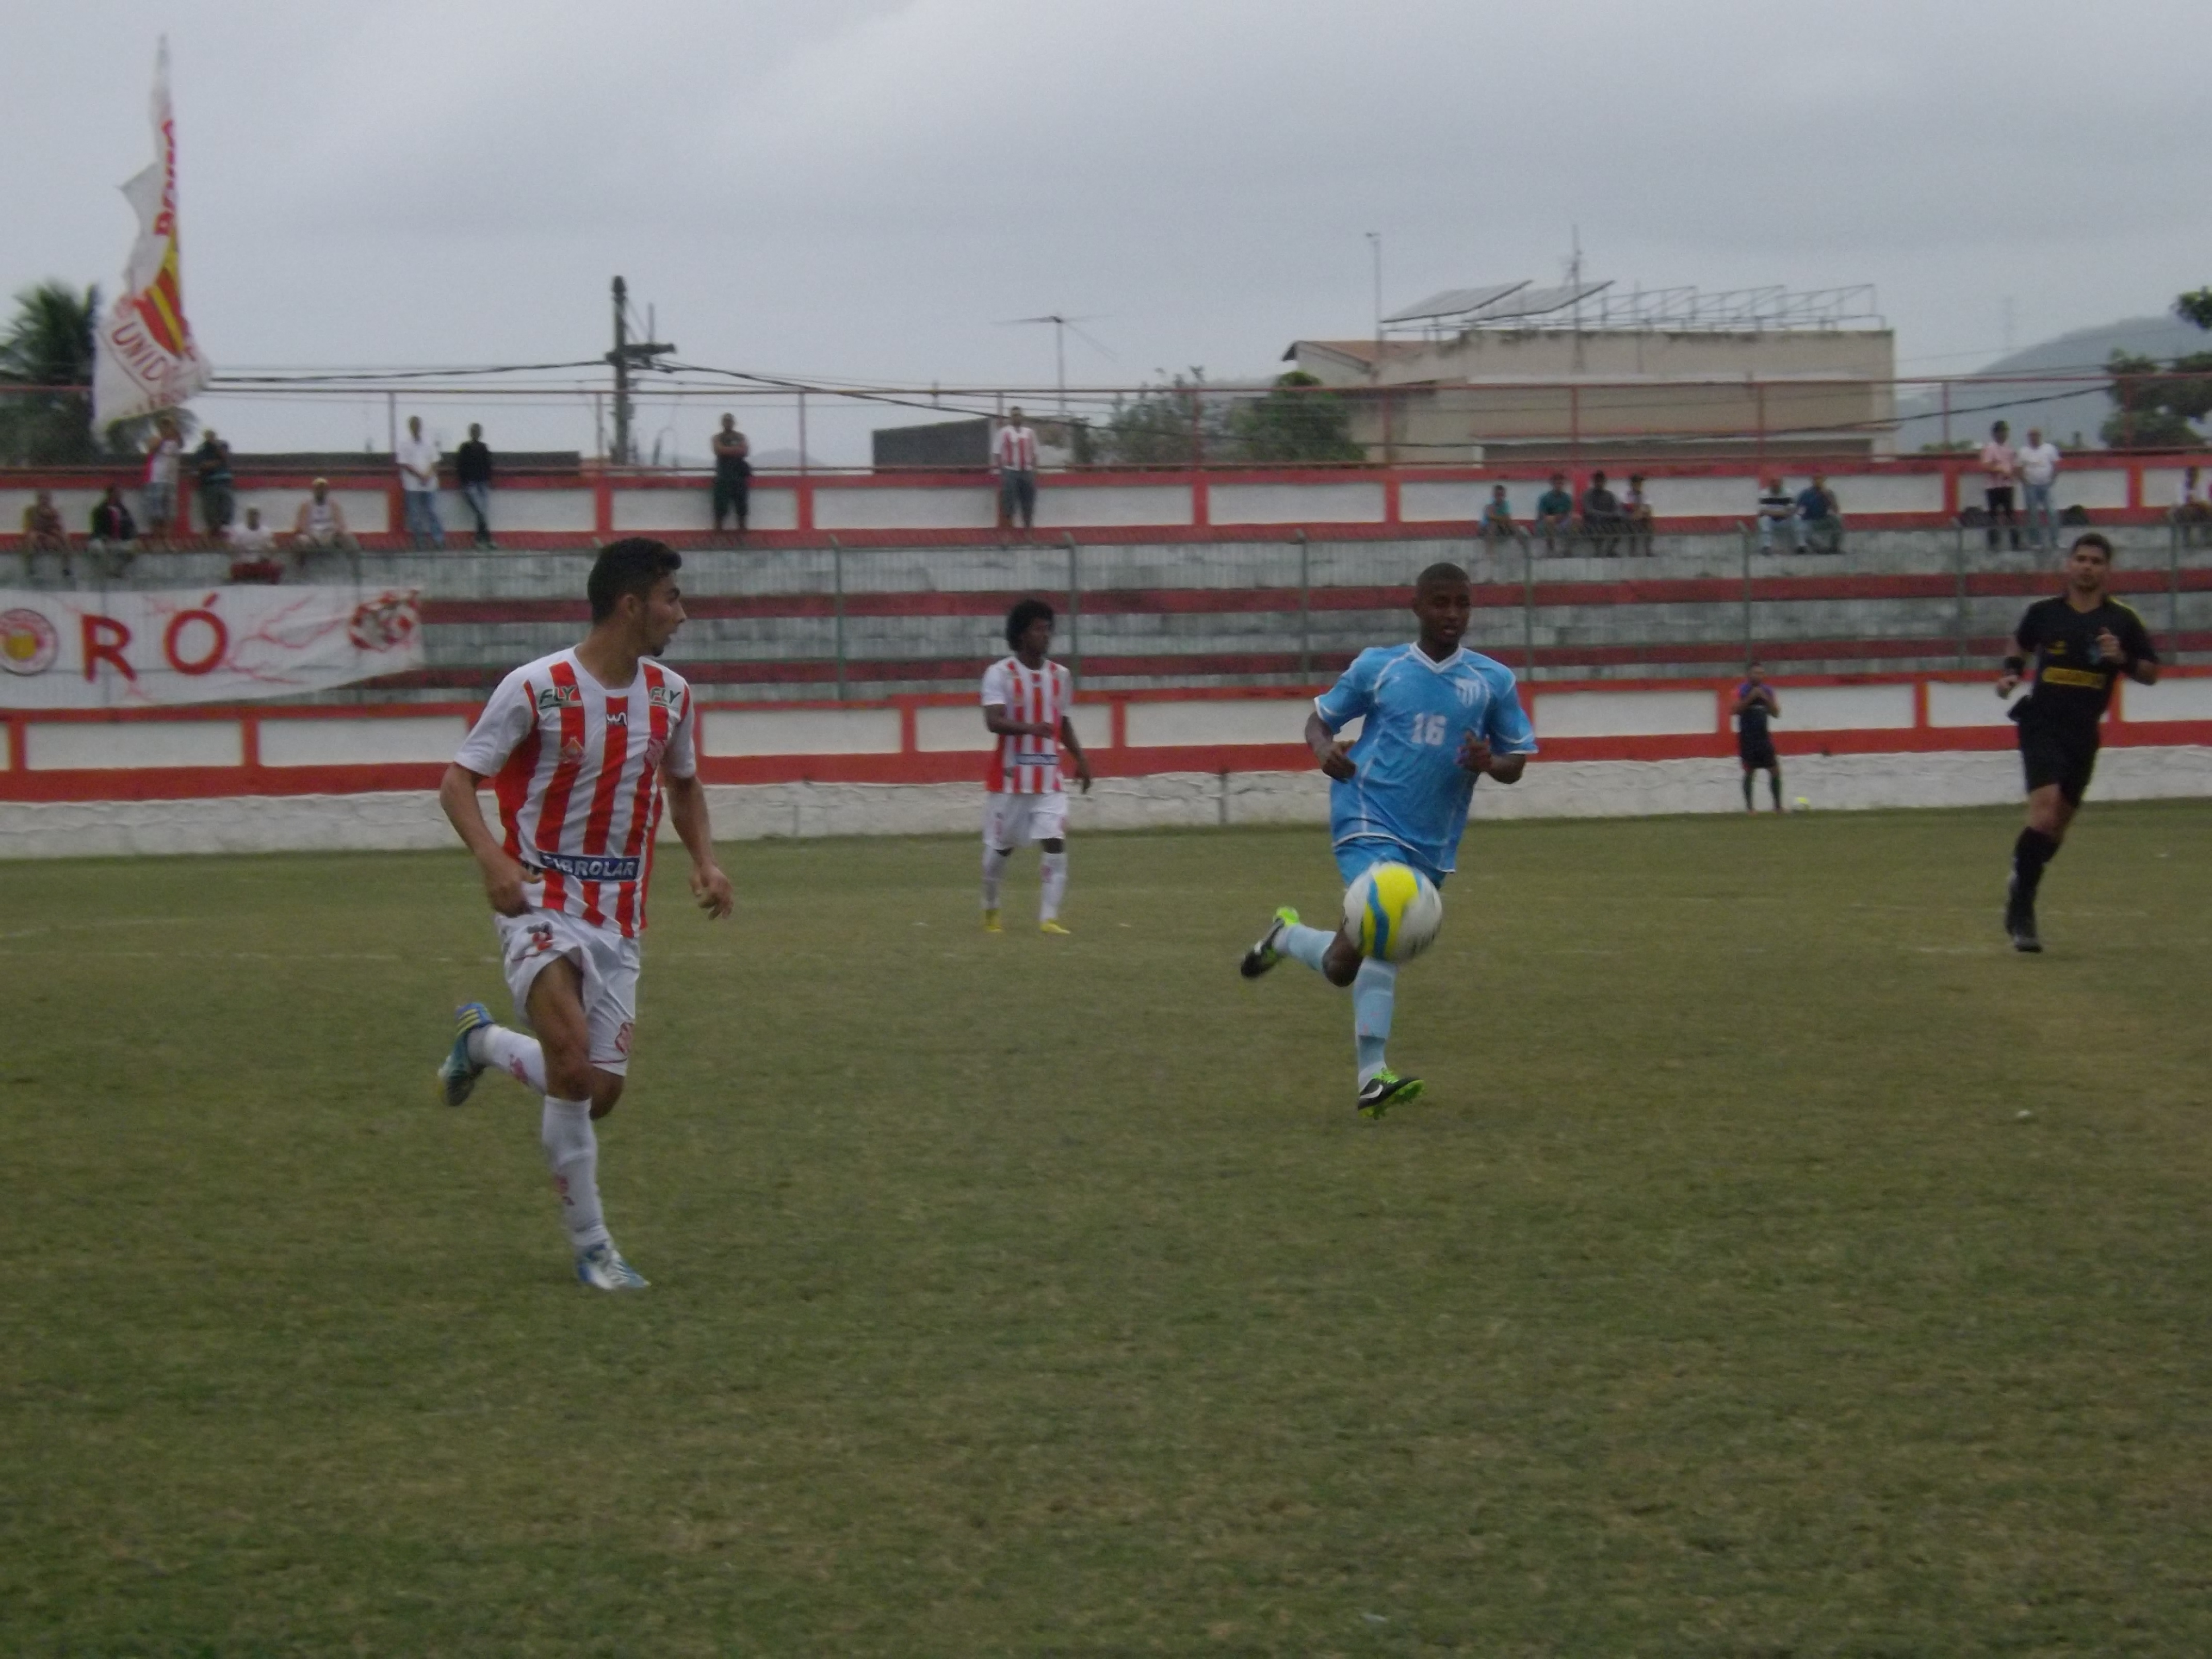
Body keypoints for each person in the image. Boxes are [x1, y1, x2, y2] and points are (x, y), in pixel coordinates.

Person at [433, 538, 733, 1291]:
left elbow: (684, 786)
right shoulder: (537, 688)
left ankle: (483, 1045)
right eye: (672, 599)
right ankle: (595, 1249)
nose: (682, 614)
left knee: (596, 1094)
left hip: (619, 919)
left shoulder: (671, 695)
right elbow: (457, 784)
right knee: (569, 1063)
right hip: (539, 902)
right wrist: (494, 861)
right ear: (631, 605)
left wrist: (705, 861)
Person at [1239, 562, 1537, 1117]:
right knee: (1388, 929)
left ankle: (1285, 937)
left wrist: (1489, 761)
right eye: (1441, 603)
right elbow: (1317, 721)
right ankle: (1372, 1078)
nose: (1452, 615)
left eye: (1462, 604)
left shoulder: (1492, 681)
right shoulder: (1380, 667)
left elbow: (1516, 762)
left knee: (1342, 964)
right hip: (1365, 814)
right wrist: (1323, 752)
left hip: (1433, 842)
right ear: (1417, 607)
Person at [1995, 532, 2158, 953]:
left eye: (2096, 561)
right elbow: (2021, 640)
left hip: (2083, 733)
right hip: (2042, 724)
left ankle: (2023, 875)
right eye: (2081, 559)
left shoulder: (2122, 620)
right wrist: (2012, 670)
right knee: (2044, 814)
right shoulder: (2045, 613)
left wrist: (2121, 659)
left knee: (2056, 831)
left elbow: (2151, 671)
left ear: (2107, 570)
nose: (2087, 566)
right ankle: (2022, 909)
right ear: (2069, 565)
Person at [980, 597, 1093, 934]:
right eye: (1038, 629)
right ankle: (991, 910)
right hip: (1010, 780)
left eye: (1048, 629)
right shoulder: (999, 674)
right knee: (999, 854)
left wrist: (1082, 760)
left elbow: (1064, 722)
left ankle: (1049, 918)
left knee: (1055, 841)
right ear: (1020, 634)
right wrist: (1031, 728)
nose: (1046, 635)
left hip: (1048, 779)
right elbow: (993, 721)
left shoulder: (1061, 676)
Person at [1733, 662, 1783, 811]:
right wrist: (1750, 698)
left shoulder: (1767, 691)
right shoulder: (1741, 690)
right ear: (1748, 675)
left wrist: (1766, 699)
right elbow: (1734, 710)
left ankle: (1778, 807)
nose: (1759, 676)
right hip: (1748, 737)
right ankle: (1750, 809)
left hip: (1764, 736)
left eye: (1761, 673)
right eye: (1755, 673)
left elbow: (1776, 713)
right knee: (1750, 770)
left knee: (1774, 770)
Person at [396, 415, 444, 549]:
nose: (416, 428)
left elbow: (435, 461)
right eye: (414, 425)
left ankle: (438, 539)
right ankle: (419, 541)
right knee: (415, 515)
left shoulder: (430, 442)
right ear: (410, 427)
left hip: (430, 485)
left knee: (433, 512)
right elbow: (404, 464)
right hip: (412, 485)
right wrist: (420, 475)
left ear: (421, 426)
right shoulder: (404, 444)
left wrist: (427, 475)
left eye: (418, 425)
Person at [994, 407, 1039, 533]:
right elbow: (997, 453)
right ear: (1011, 418)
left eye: (1019, 415)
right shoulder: (1004, 432)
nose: (1017, 418)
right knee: (1009, 502)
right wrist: (1002, 470)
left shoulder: (1030, 433)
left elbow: (1035, 452)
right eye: (1014, 415)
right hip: (1010, 471)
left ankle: (1028, 532)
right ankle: (1008, 533)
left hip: (1027, 471)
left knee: (1028, 501)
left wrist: (1034, 470)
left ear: (1022, 417)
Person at [2018, 427, 2061, 552]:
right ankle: (2036, 542)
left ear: (2040, 436)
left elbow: (2056, 465)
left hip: (2046, 486)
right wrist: (2025, 483)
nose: (2034, 438)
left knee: (2052, 512)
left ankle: (2055, 540)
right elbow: (2019, 469)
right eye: (2031, 435)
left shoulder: (2049, 449)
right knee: (2033, 515)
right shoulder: (2024, 451)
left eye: (2036, 435)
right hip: (2031, 486)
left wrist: (2052, 480)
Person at [291, 478, 360, 559]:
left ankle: (355, 567)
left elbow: (341, 525)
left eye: (323, 489)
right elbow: (301, 526)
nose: (321, 491)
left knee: (349, 538)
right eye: (318, 489)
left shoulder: (334, 505)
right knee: (301, 541)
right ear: (314, 490)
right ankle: (301, 570)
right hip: (312, 536)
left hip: (331, 535)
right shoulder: (306, 505)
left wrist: (333, 533)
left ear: (327, 491)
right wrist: (312, 536)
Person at [1979, 420, 2021, 551]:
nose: (2003, 434)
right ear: (1995, 434)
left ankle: (2015, 543)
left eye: (2005, 432)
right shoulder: (1990, 448)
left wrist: (2013, 473)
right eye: (2001, 432)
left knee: (2010, 515)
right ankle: (1993, 543)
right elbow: (1986, 466)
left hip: (2007, 485)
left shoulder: (2010, 448)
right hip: (1993, 487)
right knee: (1993, 516)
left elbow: (2014, 465)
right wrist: (2000, 470)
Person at [142, 415, 182, 549]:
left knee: (169, 514)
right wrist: (164, 436)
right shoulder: (156, 439)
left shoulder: (175, 442)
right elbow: (152, 448)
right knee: (156, 513)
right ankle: (156, 541)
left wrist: (174, 430)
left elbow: (182, 443)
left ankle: (167, 540)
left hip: (171, 481)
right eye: (165, 426)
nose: (168, 428)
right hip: (156, 479)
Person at [456, 423, 496, 549]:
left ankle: (481, 539)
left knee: (482, 511)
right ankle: (486, 538)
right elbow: (460, 466)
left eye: (478, 431)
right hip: (471, 484)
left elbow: (488, 465)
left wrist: (489, 480)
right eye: (474, 431)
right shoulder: (464, 448)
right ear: (470, 433)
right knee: (481, 510)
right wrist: (464, 482)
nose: (476, 433)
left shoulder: (484, 448)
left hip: (482, 483)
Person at [710, 414, 751, 538]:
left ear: (734, 423)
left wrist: (727, 450)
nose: (728, 423)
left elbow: (744, 451)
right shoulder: (717, 437)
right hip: (723, 476)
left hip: (739, 476)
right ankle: (718, 533)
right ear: (722, 423)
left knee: (742, 505)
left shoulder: (740, 437)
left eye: (730, 421)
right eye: (726, 421)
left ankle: (743, 532)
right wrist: (735, 450)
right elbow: (719, 450)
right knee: (720, 505)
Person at [192, 429, 234, 541]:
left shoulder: (222, 445)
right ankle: (211, 536)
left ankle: (212, 534)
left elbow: (225, 457)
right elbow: (203, 465)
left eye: (212, 436)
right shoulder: (202, 449)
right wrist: (218, 463)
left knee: (226, 513)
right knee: (212, 514)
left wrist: (216, 448)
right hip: (210, 484)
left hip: (225, 483)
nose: (211, 438)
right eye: (209, 436)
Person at [20, 490, 69, 579]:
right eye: (43, 499)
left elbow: (58, 528)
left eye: (47, 499)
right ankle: (30, 569)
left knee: (65, 538)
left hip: (50, 537)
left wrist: (53, 536)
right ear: (38, 500)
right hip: (36, 535)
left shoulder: (53, 512)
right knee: (32, 537)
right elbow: (28, 528)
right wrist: (42, 535)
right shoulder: (31, 512)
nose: (45, 501)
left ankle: (66, 568)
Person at [88, 485, 138, 571]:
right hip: (102, 539)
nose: (120, 496)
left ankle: (119, 569)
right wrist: (104, 538)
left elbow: (131, 526)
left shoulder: (123, 510)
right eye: (117, 494)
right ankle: (105, 570)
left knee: (133, 550)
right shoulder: (100, 510)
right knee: (99, 549)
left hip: (119, 540)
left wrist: (132, 537)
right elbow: (96, 528)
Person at [226, 507, 281, 583]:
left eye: (255, 514)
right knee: (235, 569)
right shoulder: (238, 530)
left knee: (276, 567)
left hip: (261, 563)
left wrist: (270, 553)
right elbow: (231, 548)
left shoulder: (266, 531)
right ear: (247, 516)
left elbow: (272, 548)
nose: (253, 517)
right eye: (251, 514)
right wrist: (235, 552)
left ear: (259, 516)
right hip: (243, 563)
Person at [1795, 473, 1844, 555]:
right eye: (1816, 479)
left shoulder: (1829, 493)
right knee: (1804, 530)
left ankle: (1835, 547)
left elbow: (1836, 510)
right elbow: (1797, 508)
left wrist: (1826, 495)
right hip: (1809, 520)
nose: (1818, 481)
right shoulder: (1806, 493)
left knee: (1837, 520)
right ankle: (1820, 549)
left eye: (1820, 479)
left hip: (1823, 519)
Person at [1580, 470, 1624, 554]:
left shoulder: (1609, 495)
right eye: (1597, 481)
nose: (1599, 483)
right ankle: (1598, 551)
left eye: (1601, 481)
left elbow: (1617, 509)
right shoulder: (1588, 495)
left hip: (1608, 523)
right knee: (1597, 526)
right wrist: (1607, 515)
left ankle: (1610, 550)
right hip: (1592, 523)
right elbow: (1589, 511)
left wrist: (1616, 515)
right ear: (1594, 482)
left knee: (1621, 526)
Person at [1478, 483, 1530, 551]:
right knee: (1493, 525)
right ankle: (1490, 554)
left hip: (1501, 527)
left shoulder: (1505, 504)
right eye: (1498, 495)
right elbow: (1491, 517)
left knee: (1513, 525)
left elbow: (1507, 518)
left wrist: (1504, 520)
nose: (1500, 498)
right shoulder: (1490, 504)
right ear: (1494, 495)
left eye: (1502, 495)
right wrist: (1502, 519)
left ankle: (1525, 550)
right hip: (1486, 528)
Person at [1534, 473, 1575, 553]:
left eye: (1561, 483)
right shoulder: (1545, 498)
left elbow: (1569, 513)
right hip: (1546, 523)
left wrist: (1561, 517)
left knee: (1576, 519)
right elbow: (1542, 514)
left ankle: (1569, 547)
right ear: (1553, 484)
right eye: (1557, 483)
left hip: (1563, 522)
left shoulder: (1567, 498)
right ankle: (1551, 546)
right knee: (1550, 520)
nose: (1559, 485)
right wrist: (1554, 518)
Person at [1755, 476, 1798, 554]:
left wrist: (1773, 512)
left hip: (1785, 521)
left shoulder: (1789, 493)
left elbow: (1792, 510)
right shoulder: (1764, 494)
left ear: (1781, 483)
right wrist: (1782, 512)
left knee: (1797, 518)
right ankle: (1766, 547)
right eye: (1774, 482)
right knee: (1764, 520)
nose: (1776, 485)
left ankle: (1800, 546)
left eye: (1778, 482)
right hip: (1771, 521)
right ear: (1770, 484)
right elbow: (1763, 511)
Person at [2173, 465, 2209, 548]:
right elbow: (2181, 504)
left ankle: (2208, 538)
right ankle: (2188, 540)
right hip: (2184, 513)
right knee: (2187, 511)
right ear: (2188, 476)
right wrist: (2194, 502)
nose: (2194, 478)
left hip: (2200, 511)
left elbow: (2204, 502)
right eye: (2192, 476)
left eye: (2196, 476)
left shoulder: (2202, 486)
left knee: (2209, 511)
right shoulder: (2181, 486)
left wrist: (2194, 502)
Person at [1622, 473, 1655, 556]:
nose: (1639, 485)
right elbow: (1627, 508)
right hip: (1629, 520)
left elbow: (1648, 509)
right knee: (1633, 528)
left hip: (1642, 519)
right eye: (1636, 483)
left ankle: (1648, 550)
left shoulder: (1644, 495)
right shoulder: (1626, 495)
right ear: (1632, 484)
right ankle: (1633, 552)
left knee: (1649, 528)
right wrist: (1637, 512)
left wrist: (1641, 513)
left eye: (1640, 483)